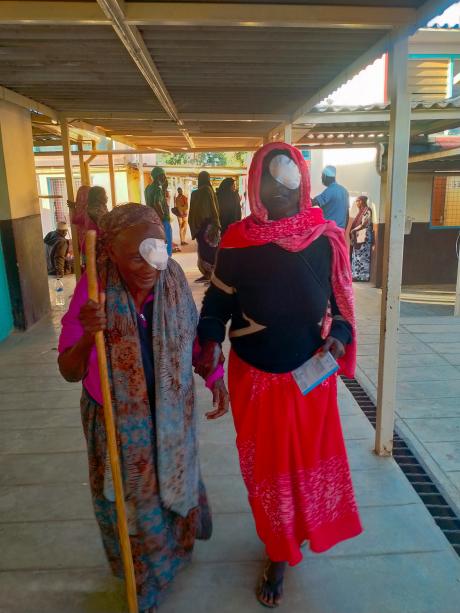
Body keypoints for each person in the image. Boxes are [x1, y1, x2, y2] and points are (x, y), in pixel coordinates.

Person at [195, 143, 362, 608]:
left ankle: (294, 537)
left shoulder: (325, 238)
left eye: (289, 183)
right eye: (270, 182)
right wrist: (207, 340)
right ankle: (278, 549)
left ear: (304, 184)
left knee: (306, 468)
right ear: (255, 184)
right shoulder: (237, 241)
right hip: (257, 376)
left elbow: (343, 311)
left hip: (311, 377)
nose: (280, 192)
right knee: (268, 473)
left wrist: (341, 339)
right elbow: (218, 303)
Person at [57, 204, 214, 613]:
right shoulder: (92, 291)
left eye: (156, 250)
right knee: (132, 506)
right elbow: (69, 371)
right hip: (118, 422)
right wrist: (89, 336)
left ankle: (174, 556)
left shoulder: (173, 278)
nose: (148, 266)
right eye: (134, 256)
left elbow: (193, 342)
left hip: (170, 414)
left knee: (171, 491)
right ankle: (144, 582)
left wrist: (214, 377)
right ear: (111, 254)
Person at [188, 171, 221, 282]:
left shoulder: (204, 191)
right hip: (210, 225)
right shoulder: (209, 190)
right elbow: (214, 209)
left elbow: (200, 211)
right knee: (208, 250)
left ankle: (211, 276)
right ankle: (208, 275)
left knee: (207, 251)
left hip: (204, 226)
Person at [68, 185, 109, 268]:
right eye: (104, 194)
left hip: (88, 246)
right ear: (98, 197)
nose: (106, 197)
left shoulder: (89, 209)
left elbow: (75, 220)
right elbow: (106, 228)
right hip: (95, 248)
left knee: (91, 275)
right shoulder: (97, 210)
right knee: (97, 275)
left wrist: (74, 208)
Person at [145, 167, 173, 256]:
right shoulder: (157, 189)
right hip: (161, 220)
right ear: (158, 176)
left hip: (151, 220)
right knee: (166, 244)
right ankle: (167, 263)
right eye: (163, 176)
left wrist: (164, 189)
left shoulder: (148, 188)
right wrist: (164, 217)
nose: (165, 178)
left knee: (157, 245)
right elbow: (157, 203)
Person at [350, 195, 373, 282]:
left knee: (363, 257)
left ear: (362, 201)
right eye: (356, 201)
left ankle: (363, 276)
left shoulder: (367, 211)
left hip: (364, 237)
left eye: (358, 201)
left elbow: (364, 224)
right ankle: (356, 275)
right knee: (357, 256)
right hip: (359, 236)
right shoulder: (360, 212)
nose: (357, 203)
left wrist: (353, 230)